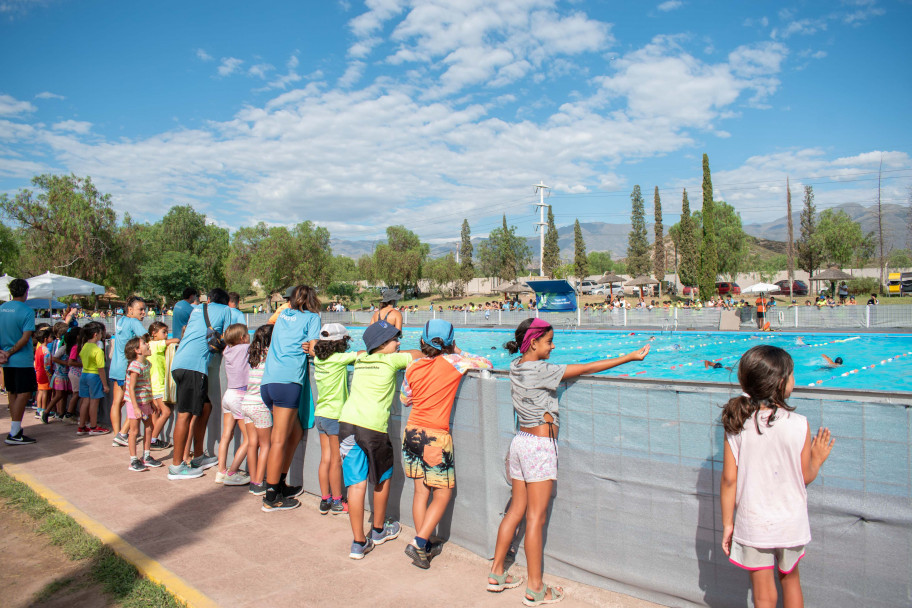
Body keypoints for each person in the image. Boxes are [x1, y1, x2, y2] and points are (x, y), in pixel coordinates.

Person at [488, 318, 650, 605]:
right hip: (540, 447)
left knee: (515, 511)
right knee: (536, 519)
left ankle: (497, 572)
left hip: (520, 443)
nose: (554, 346)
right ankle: (536, 588)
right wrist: (629, 357)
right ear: (534, 342)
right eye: (549, 341)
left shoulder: (516, 366)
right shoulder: (543, 370)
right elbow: (586, 368)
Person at [720, 345, 834, 608]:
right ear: (782, 383)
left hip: (754, 521)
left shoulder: (736, 424)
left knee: (762, 593)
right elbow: (803, 477)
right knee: (790, 579)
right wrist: (816, 459)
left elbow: (728, 480)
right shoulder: (800, 424)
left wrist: (728, 524)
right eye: (792, 374)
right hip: (790, 521)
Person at [400, 320, 492, 569]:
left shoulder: (413, 366)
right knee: (443, 493)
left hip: (411, 433)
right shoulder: (454, 362)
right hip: (435, 437)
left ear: (421, 342)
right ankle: (419, 543)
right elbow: (487, 364)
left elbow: (405, 398)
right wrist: (459, 352)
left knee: (421, 492)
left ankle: (425, 542)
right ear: (451, 343)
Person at [338, 320, 423, 559]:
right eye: (395, 340)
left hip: (347, 425)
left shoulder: (361, 359)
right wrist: (405, 352)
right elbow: (418, 354)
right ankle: (377, 530)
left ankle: (358, 542)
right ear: (383, 344)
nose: (399, 343)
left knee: (355, 484)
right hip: (373, 429)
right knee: (381, 479)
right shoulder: (391, 359)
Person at [260, 285, 322, 511]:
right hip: (288, 383)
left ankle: (280, 482)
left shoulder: (283, 314)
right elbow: (314, 350)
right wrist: (311, 347)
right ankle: (271, 496)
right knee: (278, 440)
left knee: (295, 431)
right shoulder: (312, 318)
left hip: (268, 383)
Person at [168, 288, 232, 481]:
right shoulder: (225, 310)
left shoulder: (198, 309)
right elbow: (230, 336)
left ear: (210, 299)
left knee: (205, 406)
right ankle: (177, 466)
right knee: (185, 415)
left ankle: (198, 456)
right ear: (225, 302)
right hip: (193, 367)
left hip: (181, 363)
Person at [312, 323, 359, 515]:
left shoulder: (317, 360)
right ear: (340, 343)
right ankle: (338, 501)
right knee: (336, 461)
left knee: (325, 459)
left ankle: (325, 499)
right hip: (334, 416)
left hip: (320, 414)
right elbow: (362, 355)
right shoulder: (340, 359)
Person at [0, 278, 37, 444]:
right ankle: (14, 432)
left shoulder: (2, 308)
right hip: (21, 359)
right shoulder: (27, 311)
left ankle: (15, 428)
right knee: (24, 392)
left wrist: (3, 353)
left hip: (6, 360)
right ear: (25, 292)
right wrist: (10, 352)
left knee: (12, 392)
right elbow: (26, 336)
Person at [109, 295, 148, 448]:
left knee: (116, 403)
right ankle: (123, 434)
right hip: (127, 368)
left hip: (116, 366)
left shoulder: (121, 321)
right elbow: (146, 337)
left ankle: (117, 435)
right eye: (141, 309)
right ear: (130, 310)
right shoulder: (133, 322)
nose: (143, 313)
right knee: (134, 401)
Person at [216, 323, 251, 486]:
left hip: (228, 394)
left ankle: (221, 470)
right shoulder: (245, 349)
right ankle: (232, 472)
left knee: (226, 434)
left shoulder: (227, 350)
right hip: (240, 395)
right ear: (243, 338)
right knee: (250, 438)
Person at [123, 336, 163, 472]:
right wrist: (135, 407)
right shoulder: (134, 366)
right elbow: (131, 388)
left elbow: (147, 384)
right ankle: (133, 459)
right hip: (135, 403)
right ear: (137, 350)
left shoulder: (147, 364)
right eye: (144, 344)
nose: (148, 345)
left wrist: (151, 401)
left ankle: (146, 455)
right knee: (134, 430)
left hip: (145, 402)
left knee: (149, 427)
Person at [242, 324, 273, 496]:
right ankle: (260, 481)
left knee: (252, 443)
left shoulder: (253, 356)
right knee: (266, 444)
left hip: (246, 403)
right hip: (260, 406)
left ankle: (254, 479)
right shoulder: (270, 356)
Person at [147, 321, 179, 450]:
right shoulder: (155, 345)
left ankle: (154, 438)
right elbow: (175, 340)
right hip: (158, 385)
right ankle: (152, 440)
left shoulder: (151, 345)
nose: (166, 335)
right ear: (154, 333)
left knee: (156, 412)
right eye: (164, 332)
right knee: (166, 412)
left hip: (152, 384)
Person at [76, 322, 111, 436]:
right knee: (94, 402)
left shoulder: (84, 346)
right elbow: (101, 369)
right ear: (96, 334)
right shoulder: (97, 350)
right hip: (94, 376)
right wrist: (105, 385)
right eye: (101, 333)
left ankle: (81, 426)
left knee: (85, 401)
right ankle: (93, 426)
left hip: (84, 375)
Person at [33, 327, 53, 420]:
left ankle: (39, 408)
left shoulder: (38, 349)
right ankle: (44, 409)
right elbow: (47, 365)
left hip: (38, 372)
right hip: (44, 374)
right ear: (46, 339)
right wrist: (49, 376)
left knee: (40, 391)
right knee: (45, 392)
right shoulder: (46, 350)